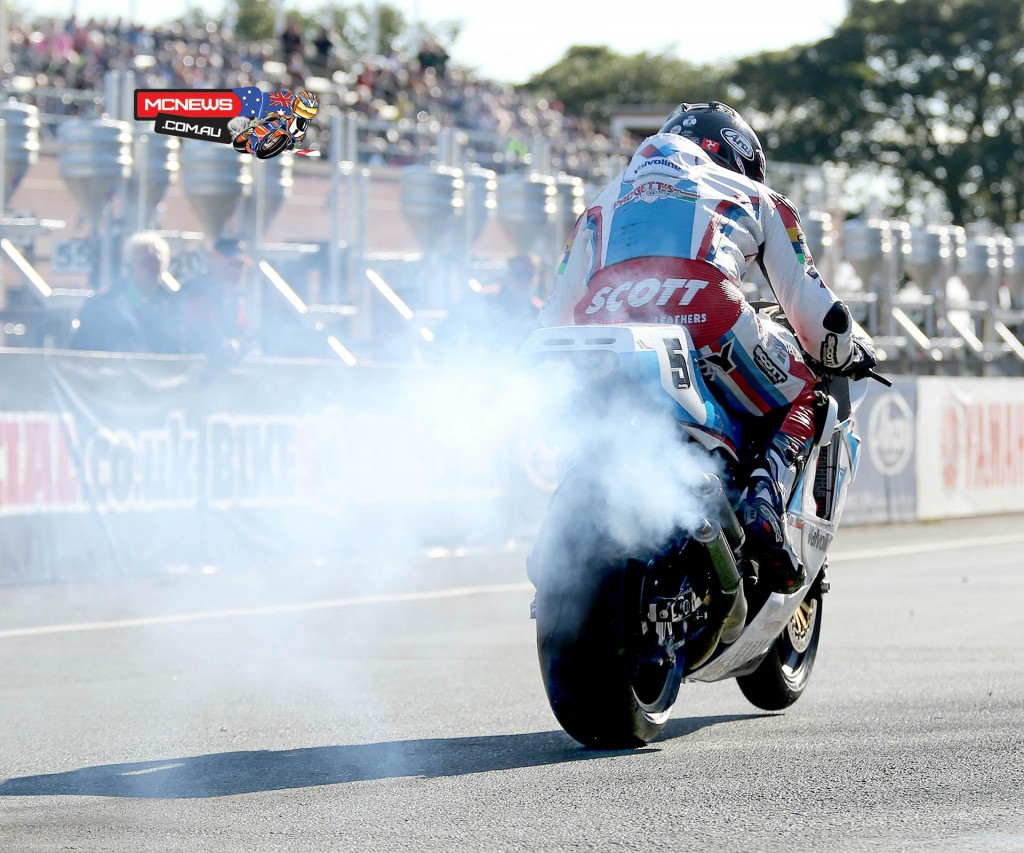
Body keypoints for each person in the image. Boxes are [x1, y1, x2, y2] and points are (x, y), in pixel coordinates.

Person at [538, 101, 876, 591]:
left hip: (607, 323)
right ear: (738, 156)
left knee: (581, 426)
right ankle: (763, 503)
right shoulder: (756, 194)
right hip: (705, 311)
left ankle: (561, 520)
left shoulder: (602, 200)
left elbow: (555, 315)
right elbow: (812, 311)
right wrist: (841, 349)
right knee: (809, 395)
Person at [70, 232, 184, 354]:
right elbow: (82, 349)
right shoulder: (102, 304)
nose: (152, 268)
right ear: (130, 267)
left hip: (157, 372)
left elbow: (179, 348)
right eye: (145, 262)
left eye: (155, 262)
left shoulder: (172, 304)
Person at [180, 237, 254, 363]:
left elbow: (245, 333)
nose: (240, 271)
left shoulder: (237, 296)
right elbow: (198, 331)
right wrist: (223, 345)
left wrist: (238, 344)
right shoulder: (196, 289)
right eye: (234, 265)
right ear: (215, 264)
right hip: (191, 366)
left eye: (242, 266)